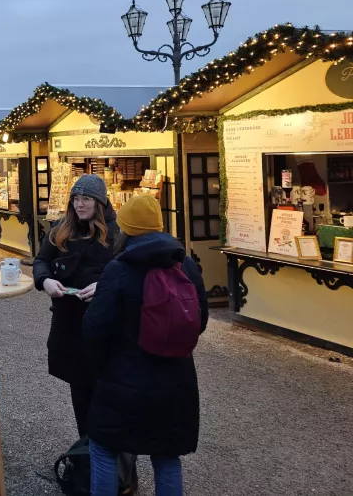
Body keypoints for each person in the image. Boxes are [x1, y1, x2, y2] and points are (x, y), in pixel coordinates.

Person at [83, 194, 208, 496]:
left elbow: (94, 327)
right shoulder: (186, 265)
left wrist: (98, 365)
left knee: (103, 448)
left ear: (124, 229)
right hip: (176, 381)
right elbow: (200, 320)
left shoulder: (120, 269)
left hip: (123, 380)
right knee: (166, 456)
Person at [32, 174, 118, 439]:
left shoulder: (117, 234)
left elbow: (128, 274)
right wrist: (44, 280)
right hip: (68, 322)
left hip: (105, 326)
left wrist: (104, 287)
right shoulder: (61, 229)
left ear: (100, 202)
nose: (80, 204)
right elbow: (41, 260)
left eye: (87, 199)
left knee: (107, 393)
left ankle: (111, 461)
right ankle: (86, 454)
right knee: (79, 389)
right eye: (76, 199)